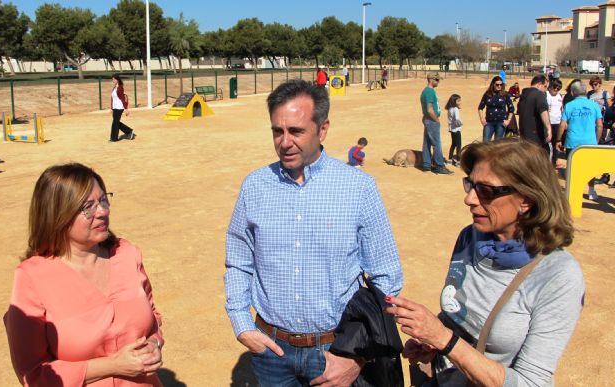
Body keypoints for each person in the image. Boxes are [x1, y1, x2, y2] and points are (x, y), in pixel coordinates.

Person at [224, 79, 403, 386]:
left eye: (296, 131)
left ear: (322, 129)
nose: (284, 142)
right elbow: (239, 260)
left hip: (337, 352)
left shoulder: (359, 188)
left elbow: (386, 277)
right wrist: (242, 323)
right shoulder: (254, 186)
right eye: (277, 131)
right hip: (272, 353)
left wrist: (356, 355)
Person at [384, 139, 585, 386]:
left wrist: (445, 340)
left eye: (486, 191)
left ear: (527, 199)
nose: (469, 199)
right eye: (470, 185)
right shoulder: (470, 238)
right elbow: (461, 318)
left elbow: (533, 382)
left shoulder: (558, 275)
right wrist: (433, 344)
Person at [4, 163, 164, 386]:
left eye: (103, 200)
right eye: (88, 206)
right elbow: (32, 373)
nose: (102, 212)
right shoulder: (31, 278)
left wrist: (154, 344)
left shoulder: (126, 254)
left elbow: (153, 316)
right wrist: (113, 365)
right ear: (58, 214)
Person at [556, 81, 603, 200]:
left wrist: (558, 140)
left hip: (573, 141)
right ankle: (591, 191)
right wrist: (596, 140)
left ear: (572, 92)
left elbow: (562, 125)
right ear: (585, 91)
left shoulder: (569, 105)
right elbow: (600, 125)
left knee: (572, 167)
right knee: (590, 168)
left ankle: (572, 190)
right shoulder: (594, 105)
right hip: (590, 141)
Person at [420, 72, 453, 175]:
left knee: (427, 142)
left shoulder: (426, 91)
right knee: (436, 143)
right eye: (437, 80)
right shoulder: (429, 92)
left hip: (428, 119)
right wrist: (436, 119)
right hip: (431, 120)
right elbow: (430, 109)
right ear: (431, 80)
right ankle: (439, 166)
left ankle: (426, 164)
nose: (438, 82)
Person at [517, 74, 552, 153]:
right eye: (545, 86)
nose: (545, 90)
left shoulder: (523, 96)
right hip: (536, 136)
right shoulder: (539, 94)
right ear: (539, 84)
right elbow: (543, 111)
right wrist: (548, 128)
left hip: (524, 134)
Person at [478, 76, 515, 142]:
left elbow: (511, 108)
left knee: (497, 144)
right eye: (497, 84)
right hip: (489, 122)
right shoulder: (487, 94)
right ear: (493, 84)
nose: (499, 86)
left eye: (501, 84)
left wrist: (508, 120)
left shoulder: (505, 95)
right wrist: (481, 118)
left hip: (501, 123)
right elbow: (480, 107)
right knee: (485, 143)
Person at [110, 74, 135, 142]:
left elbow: (123, 98)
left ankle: (114, 138)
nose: (113, 80)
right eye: (112, 79)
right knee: (116, 122)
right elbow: (112, 98)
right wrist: (111, 108)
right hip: (115, 107)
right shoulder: (114, 88)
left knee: (115, 122)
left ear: (117, 80)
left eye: (114, 79)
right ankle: (129, 131)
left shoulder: (120, 88)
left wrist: (126, 108)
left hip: (119, 107)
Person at [587, 75, 611, 143]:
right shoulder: (589, 94)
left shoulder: (605, 94)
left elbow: (609, 107)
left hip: (602, 121)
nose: (593, 86)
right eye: (592, 84)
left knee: (601, 140)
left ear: (600, 84)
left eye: (595, 84)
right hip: (591, 121)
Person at [547, 78, 564, 166]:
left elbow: (561, 109)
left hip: (557, 122)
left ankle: (554, 160)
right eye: (555, 87)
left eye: (558, 88)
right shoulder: (546, 95)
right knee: (547, 142)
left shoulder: (560, 96)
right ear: (550, 87)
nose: (556, 90)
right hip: (548, 122)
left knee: (556, 142)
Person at [446, 94, 463, 166]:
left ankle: (450, 159)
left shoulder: (450, 109)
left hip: (452, 129)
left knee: (453, 144)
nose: (460, 102)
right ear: (454, 101)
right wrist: (461, 124)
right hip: (457, 130)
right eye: (458, 101)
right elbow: (457, 120)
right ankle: (458, 161)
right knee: (459, 145)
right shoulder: (455, 109)